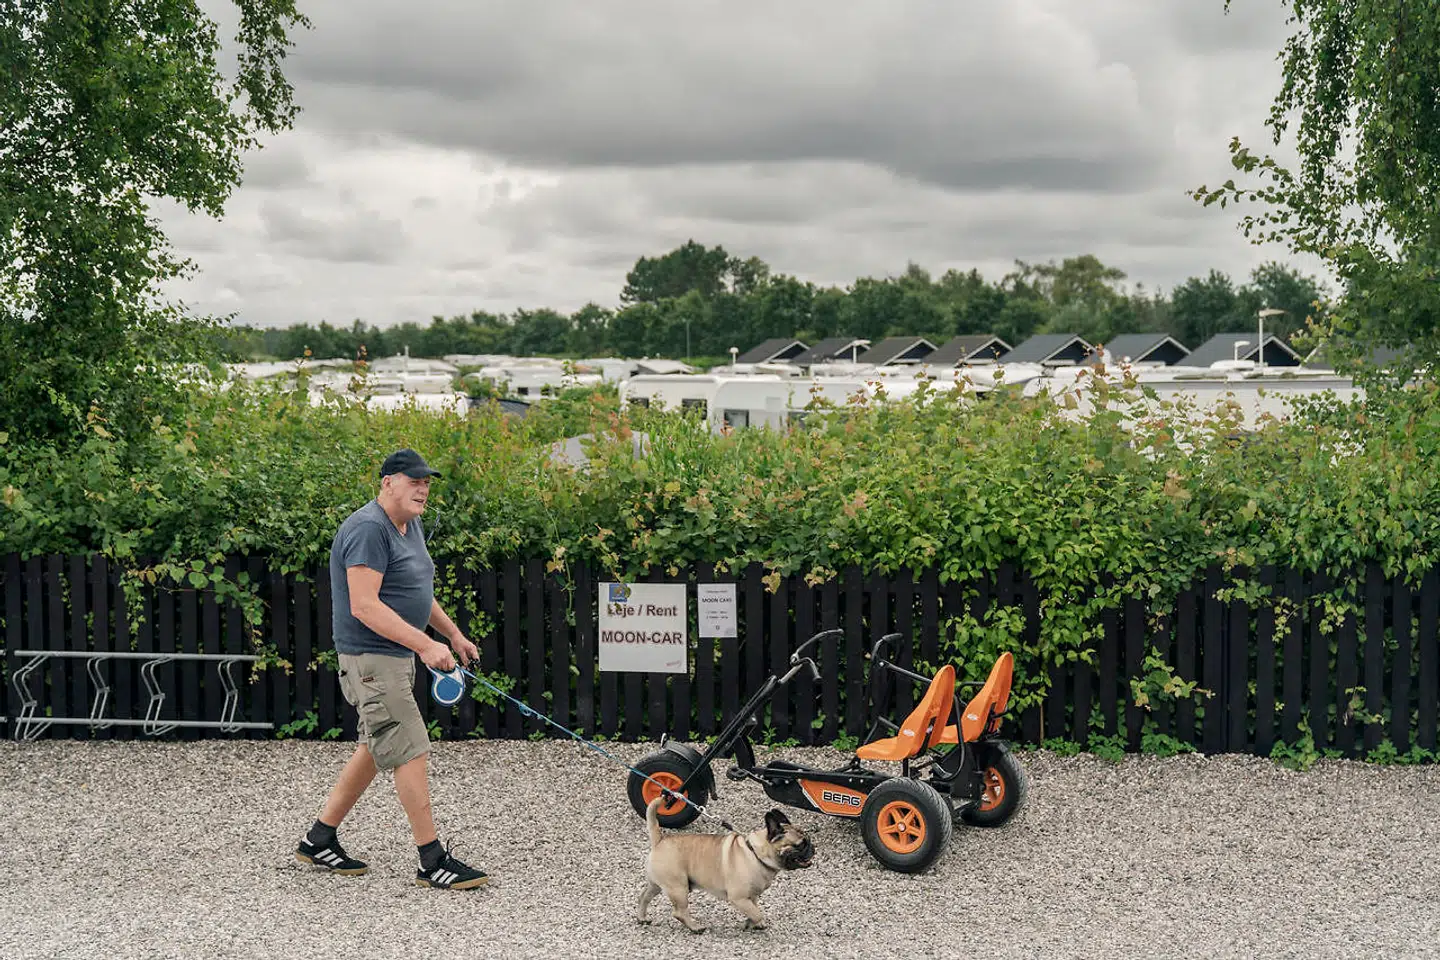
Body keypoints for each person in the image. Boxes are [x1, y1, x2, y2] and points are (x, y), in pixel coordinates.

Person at [294, 448, 488, 890]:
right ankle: (431, 859)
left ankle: (318, 838)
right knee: (410, 746)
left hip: (394, 657)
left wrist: (453, 635)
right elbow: (364, 605)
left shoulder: (409, 525)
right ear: (387, 483)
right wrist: (424, 644)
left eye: (427, 482)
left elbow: (416, 589)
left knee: (377, 744)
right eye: (413, 480)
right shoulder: (367, 529)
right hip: (371, 659)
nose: (423, 488)